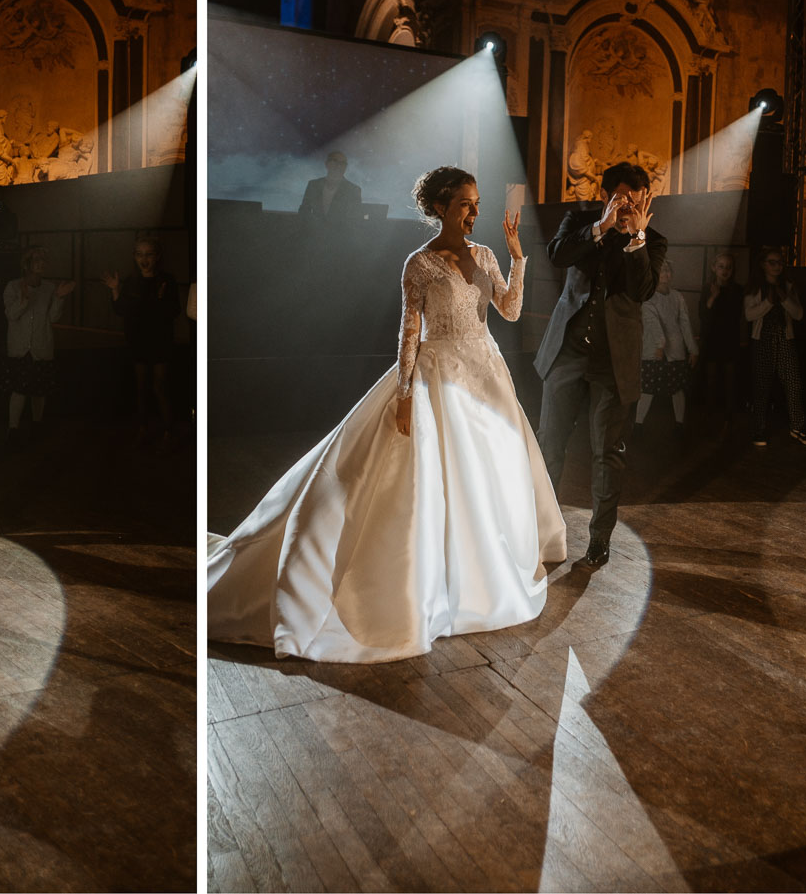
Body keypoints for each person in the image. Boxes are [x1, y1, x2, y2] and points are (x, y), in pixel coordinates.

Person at [208, 167, 567, 663]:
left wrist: (518, 259)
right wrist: (403, 394)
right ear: (440, 208)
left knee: (492, 475)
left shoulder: (484, 255)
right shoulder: (418, 264)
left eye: (476, 202)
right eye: (465, 203)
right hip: (435, 377)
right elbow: (409, 333)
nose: (475, 212)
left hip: (485, 377)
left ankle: (489, 566)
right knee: (434, 478)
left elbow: (507, 310)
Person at [534, 161, 668, 569]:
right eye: (622, 197)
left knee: (606, 453)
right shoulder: (580, 221)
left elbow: (642, 290)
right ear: (607, 195)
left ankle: (599, 540)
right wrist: (602, 228)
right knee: (549, 446)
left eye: (637, 199)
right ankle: (538, 532)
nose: (629, 205)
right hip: (568, 352)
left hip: (613, 361)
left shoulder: (653, 241)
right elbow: (557, 256)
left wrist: (636, 238)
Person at [103, 234, 180, 444]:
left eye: (148, 254)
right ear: (134, 257)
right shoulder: (131, 281)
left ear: (157, 256)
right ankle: (143, 430)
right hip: (138, 341)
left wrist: (159, 300)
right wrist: (115, 290)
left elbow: (174, 311)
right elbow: (121, 310)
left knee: (159, 387)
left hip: (160, 342)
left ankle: (168, 432)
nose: (143, 259)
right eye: (139, 254)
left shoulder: (167, 280)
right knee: (141, 387)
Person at [743, 248, 806, 448]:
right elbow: (749, 315)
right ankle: (758, 428)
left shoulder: (788, 286)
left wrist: (784, 299)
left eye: (780, 263)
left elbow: (799, 314)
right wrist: (768, 302)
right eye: (772, 262)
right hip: (763, 339)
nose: (777, 266)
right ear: (763, 264)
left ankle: (797, 427)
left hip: (785, 338)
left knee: (793, 383)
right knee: (762, 386)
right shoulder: (755, 287)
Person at [3, 245, 75, 441]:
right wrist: (24, 299)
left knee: (39, 390)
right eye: (36, 260)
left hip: (42, 346)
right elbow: (12, 314)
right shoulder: (13, 286)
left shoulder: (50, 288)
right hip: (19, 348)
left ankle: (37, 424)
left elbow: (53, 318)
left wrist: (60, 298)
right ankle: (13, 429)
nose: (41, 264)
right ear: (26, 264)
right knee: (19, 389)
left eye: (44, 260)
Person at [635, 260, 697, 436]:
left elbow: (685, 323)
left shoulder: (677, 297)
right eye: (661, 270)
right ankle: (638, 424)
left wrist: (692, 348)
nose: (665, 274)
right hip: (653, 351)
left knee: (677, 389)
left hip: (675, 349)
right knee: (647, 389)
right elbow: (652, 322)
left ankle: (679, 423)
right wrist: (659, 344)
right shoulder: (648, 297)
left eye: (668, 270)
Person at [697, 250, 744, 426]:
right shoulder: (707, 288)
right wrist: (713, 297)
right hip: (711, 339)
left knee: (730, 378)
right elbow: (703, 314)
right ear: (714, 268)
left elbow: (736, 316)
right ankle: (709, 412)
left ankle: (729, 414)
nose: (725, 271)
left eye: (728, 267)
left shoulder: (737, 290)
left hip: (729, 338)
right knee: (711, 378)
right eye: (721, 267)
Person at [298, 150, 364, 225]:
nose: (338, 166)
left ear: (345, 167)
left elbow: (354, 219)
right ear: (327, 164)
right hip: (314, 234)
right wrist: (313, 227)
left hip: (340, 235)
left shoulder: (353, 190)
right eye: (335, 161)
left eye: (342, 163)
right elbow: (304, 210)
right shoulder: (313, 185)